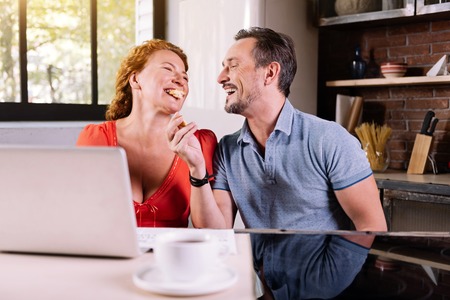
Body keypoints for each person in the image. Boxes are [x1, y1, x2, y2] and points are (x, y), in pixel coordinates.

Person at [77, 39, 217, 227]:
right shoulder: (96, 138)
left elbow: (213, 232)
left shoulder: (200, 143)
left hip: (171, 256)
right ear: (135, 79)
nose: (180, 81)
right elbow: (82, 216)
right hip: (113, 255)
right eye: (168, 69)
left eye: (185, 77)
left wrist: (197, 168)